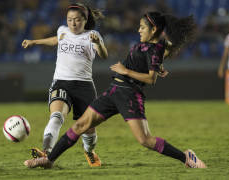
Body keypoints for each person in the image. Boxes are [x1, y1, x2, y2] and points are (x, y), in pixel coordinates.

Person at [24, 11, 206, 169]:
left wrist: (127, 70)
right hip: (113, 91)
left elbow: (151, 79)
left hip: (129, 95)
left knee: (145, 140)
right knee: (80, 125)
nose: (139, 30)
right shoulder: (152, 47)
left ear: (154, 30)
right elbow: (151, 62)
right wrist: (156, 66)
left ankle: (186, 157)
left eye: (142, 27)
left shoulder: (155, 49)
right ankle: (49, 160)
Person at [21, 3, 108, 167]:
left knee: (89, 129)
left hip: (84, 86)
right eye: (69, 20)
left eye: (76, 20)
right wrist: (34, 42)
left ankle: (89, 151)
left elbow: (103, 55)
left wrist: (99, 43)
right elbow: (56, 40)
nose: (73, 23)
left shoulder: (92, 35)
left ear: (85, 19)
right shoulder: (63, 30)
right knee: (56, 117)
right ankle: (46, 152)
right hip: (61, 82)